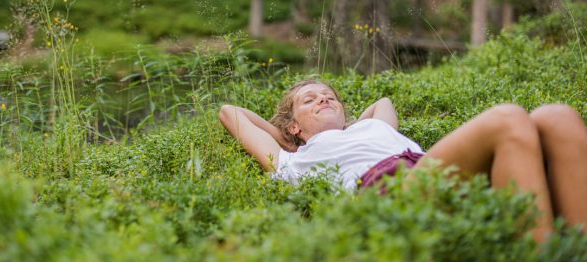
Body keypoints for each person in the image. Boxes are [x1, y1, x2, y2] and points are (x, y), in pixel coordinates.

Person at [218, 79, 587, 243]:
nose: (324, 100)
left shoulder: (371, 128)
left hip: (431, 172)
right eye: (310, 100)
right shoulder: (289, 159)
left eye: (329, 96)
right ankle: (543, 251)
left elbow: (383, 103)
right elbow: (229, 112)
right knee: (507, 118)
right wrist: (289, 136)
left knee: (557, 116)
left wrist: (346, 125)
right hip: (387, 193)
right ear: (294, 124)